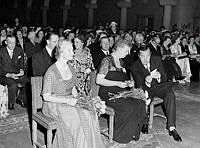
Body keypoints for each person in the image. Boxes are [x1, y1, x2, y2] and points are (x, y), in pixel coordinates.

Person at [42, 40, 105, 148]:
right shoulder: (51, 71)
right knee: (77, 119)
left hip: (70, 100)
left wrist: (83, 100)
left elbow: (73, 89)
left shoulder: (71, 68)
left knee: (90, 112)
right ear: (61, 52)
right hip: (54, 105)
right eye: (69, 50)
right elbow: (46, 96)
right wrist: (68, 101)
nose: (73, 53)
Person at [96, 39, 148, 146]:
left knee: (140, 104)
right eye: (126, 51)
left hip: (122, 93)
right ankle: (119, 136)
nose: (128, 53)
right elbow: (99, 80)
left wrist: (128, 83)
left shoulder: (122, 62)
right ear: (119, 48)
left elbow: (123, 80)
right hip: (108, 94)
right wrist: (118, 84)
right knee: (128, 108)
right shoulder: (107, 61)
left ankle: (132, 132)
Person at [130, 46, 182, 142]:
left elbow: (164, 77)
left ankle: (171, 127)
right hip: (146, 90)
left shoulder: (157, 59)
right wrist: (147, 82)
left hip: (159, 87)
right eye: (142, 56)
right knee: (145, 93)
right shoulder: (134, 66)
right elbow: (139, 85)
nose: (145, 59)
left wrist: (159, 76)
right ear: (138, 56)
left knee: (170, 94)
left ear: (150, 55)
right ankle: (145, 122)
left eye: (147, 56)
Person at [0, 35, 27, 109]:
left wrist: (21, 70)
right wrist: (8, 75)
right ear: (6, 42)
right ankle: (10, 102)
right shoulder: (1, 51)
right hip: (4, 75)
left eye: (14, 43)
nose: (12, 45)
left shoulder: (18, 50)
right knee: (13, 84)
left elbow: (21, 64)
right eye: (10, 43)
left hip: (16, 73)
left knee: (28, 81)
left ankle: (20, 98)